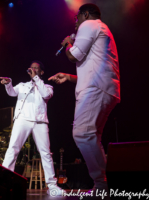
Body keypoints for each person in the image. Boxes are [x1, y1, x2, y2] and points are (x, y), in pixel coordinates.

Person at [49, 3, 120, 194]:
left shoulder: (89, 25)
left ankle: (103, 185)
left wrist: (67, 44)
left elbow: (73, 56)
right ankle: (104, 184)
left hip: (96, 90)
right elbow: (94, 68)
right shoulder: (100, 28)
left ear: (85, 14)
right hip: (103, 88)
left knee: (82, 133)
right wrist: (70, 77)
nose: (75, 22)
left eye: (76, 18)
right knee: (90, 136)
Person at [0, 61, 65, 196]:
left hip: (40, 122)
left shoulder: (47, 87)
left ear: (41, 72)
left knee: (46, 153)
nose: (33, 69)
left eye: (36, 68)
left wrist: (36, 78)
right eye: (32, 68)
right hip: (22, 119)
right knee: (13, 149)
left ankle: (52, 186)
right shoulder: (22, 86)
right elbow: (12, 93)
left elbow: (46, 95)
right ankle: (3, 182)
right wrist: (8, 83)